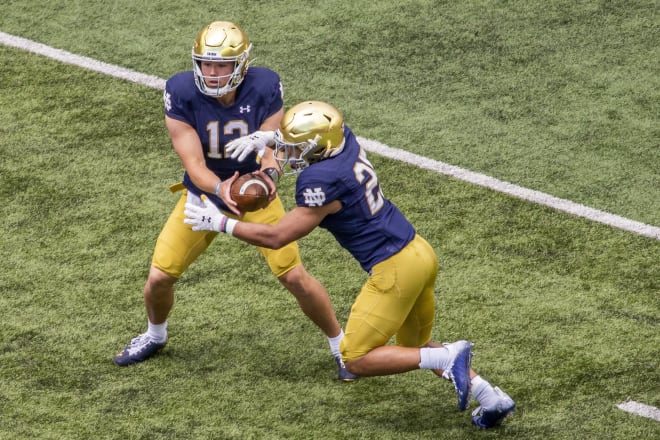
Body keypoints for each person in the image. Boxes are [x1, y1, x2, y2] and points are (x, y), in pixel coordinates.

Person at [183, 100, 516, 428]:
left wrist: (221, 223)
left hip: (395, 269)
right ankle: (491, 397)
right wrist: (269, 138)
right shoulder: (345, 141)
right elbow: (317, 139)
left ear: (317, 148)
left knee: (355, 358)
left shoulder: (321, 182)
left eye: (293, 148)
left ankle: (449, 355)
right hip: (419, 252)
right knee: (416, 347)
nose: (286, 154)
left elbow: (277, 237)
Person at [114, 22, 357, 381]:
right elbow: (194, 165)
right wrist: (222, 190)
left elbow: (273, 149)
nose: (212, 74)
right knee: (158, 278)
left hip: (256, 195)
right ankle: (155, 335)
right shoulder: (180, 91)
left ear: (241, 65)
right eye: (206, 64)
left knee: (294, 277)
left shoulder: (263, 85)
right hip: (204, 196)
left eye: (221, 65)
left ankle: (341, 347)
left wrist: (266, 178)